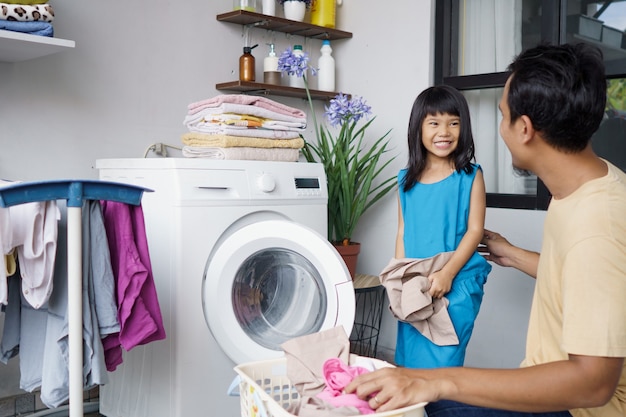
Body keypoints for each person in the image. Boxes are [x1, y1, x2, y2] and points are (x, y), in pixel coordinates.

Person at [345, 42, 626, 417]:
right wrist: (514, 254)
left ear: (524, 128)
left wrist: (439, 381)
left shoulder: (598, 225)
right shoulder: (584, 187)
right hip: (553, 384)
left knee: (434, 403)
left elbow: (592, 384)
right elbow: (591, 279)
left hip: (580, 409)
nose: (500, 128)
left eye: (502, 115)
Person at [391, 85, 491, 369]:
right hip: (416, 283)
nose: (444, 132)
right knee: (411, 363)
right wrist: (400, 276)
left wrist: (447, 274)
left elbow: (475, 231)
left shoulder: (470, 175)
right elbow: (402, 231)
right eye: (434, 123)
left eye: (454, 123)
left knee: (445, 360)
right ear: (418, 129)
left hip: (455, 280)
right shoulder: (404, 180)